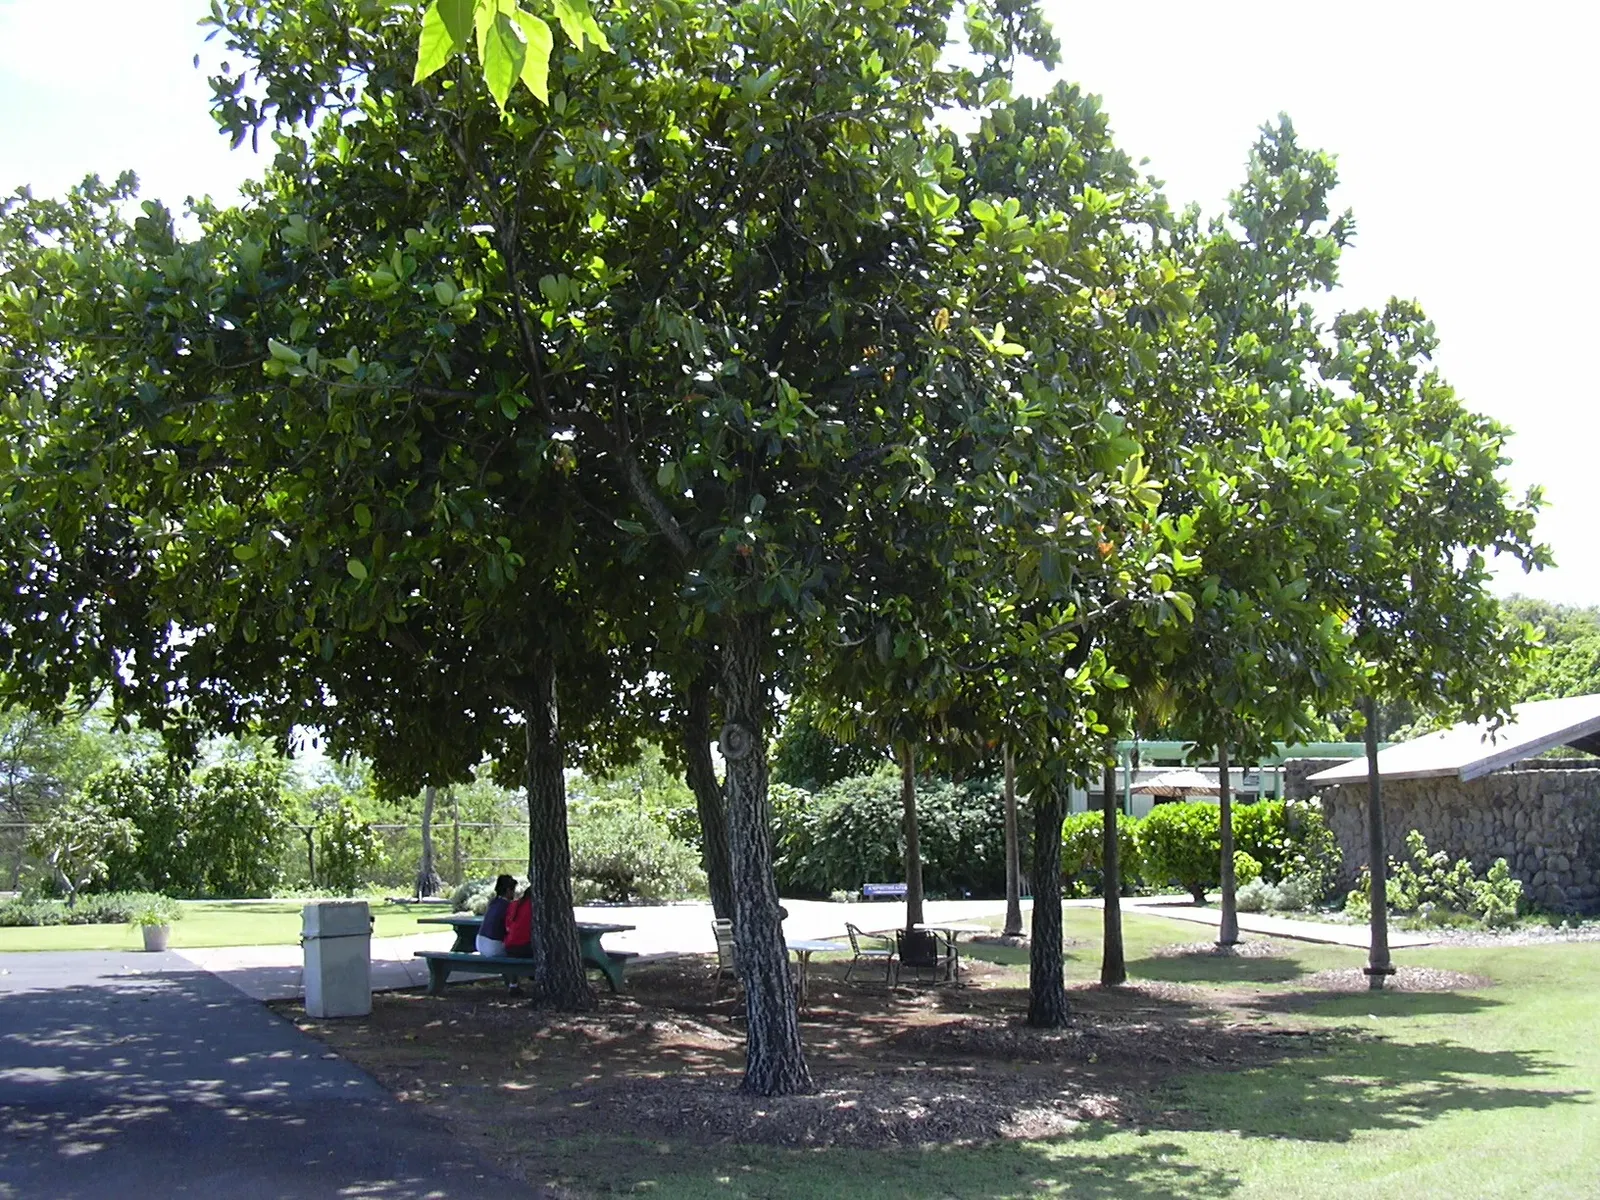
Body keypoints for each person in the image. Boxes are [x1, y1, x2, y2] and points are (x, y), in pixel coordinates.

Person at [475, 874, 516, 957]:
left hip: (479, 942)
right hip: (493, 946)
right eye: (513, 890)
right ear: (508, 890)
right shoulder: (507, 906)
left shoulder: (493, 903)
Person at [503, 884, 533, 958]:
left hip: (509, 946)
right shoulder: (534, 906)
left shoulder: (514, 904)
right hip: (523, 947)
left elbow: (508, 926)